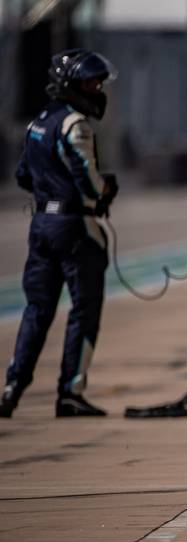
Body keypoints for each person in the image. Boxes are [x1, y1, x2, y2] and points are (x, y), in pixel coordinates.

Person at [1, 50, 119, 418]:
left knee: (36, 309)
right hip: (75, 227)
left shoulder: (39, 122)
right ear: (72, 86)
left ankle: (12, 388)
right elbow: (88, 179)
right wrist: (105, 191)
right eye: (91, 83)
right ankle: (70, 391)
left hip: (41, 225)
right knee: (85, 310)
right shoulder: (75, 125)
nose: (98, 89)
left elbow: (23, 176)